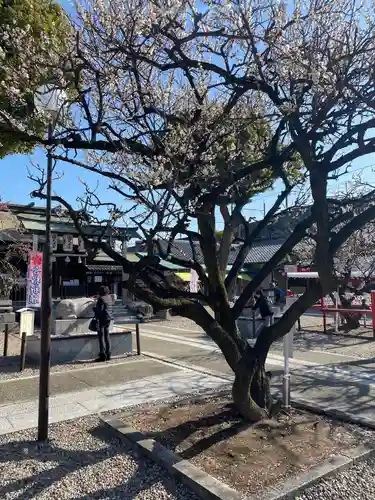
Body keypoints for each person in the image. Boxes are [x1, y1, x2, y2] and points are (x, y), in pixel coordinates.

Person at [94, 285, 113, 362]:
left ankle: (102, 355)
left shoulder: (101, 299)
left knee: (101, 337)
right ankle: (108, 354)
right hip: (108, 319)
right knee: (107, 336)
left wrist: (94, 309)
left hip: (102, 319)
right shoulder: (109, 298)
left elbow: (100, 310)